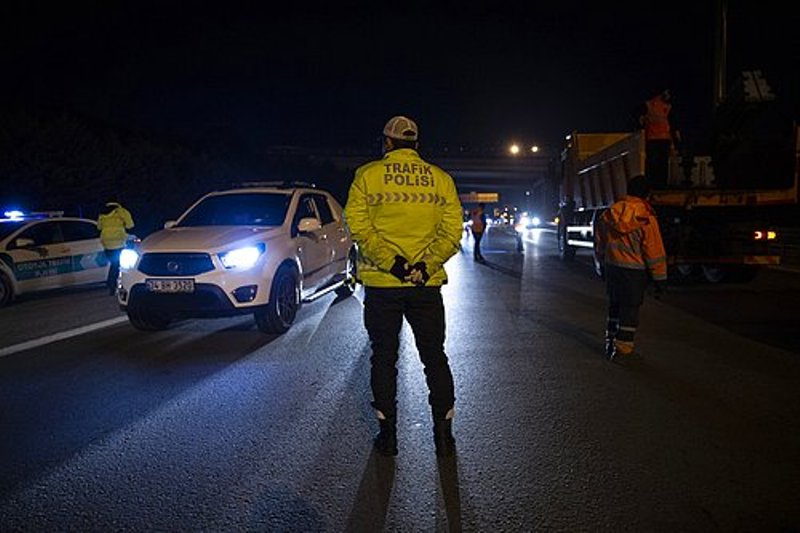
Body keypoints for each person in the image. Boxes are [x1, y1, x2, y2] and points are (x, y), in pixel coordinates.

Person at [343, 115, 464, 457]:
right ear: (416, 145)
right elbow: (452, 233)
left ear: (387, 143)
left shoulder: (367, 176)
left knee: (384, 357)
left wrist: (394, 264)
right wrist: (424, 266)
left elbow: (359, 227)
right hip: (426, 286)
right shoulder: (441, 180)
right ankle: (444, 437)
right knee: (434, 357)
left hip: (383, 284)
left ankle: (388, 437)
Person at [594, 175, 667, 363]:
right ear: (646, 193)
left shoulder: (610, 213)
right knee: (630, 310)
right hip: (634, 272)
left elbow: (600, 243)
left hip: (612, 268)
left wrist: (601, 263)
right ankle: (623, 351)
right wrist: (660, 278)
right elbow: (654, 250)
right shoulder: (645, 217)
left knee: (615, 304)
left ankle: (610, 342)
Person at [638, 89, 681, 188]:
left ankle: (655, 184)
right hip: (658, 139)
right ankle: (659, 184)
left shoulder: (661, 106)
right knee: (660, 163)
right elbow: (673, 125)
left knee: (656, 163)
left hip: (656, 139)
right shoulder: (652, 105)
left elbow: (672, 124)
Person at [97, 198, 135, 295]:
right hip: (118, 240)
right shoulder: (121, 211)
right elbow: (130, 225)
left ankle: (111, 284)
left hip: (106, 242)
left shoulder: (102, 212)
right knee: (118, 265)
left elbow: (99, 227)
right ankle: (113, 285)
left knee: (114, 264)